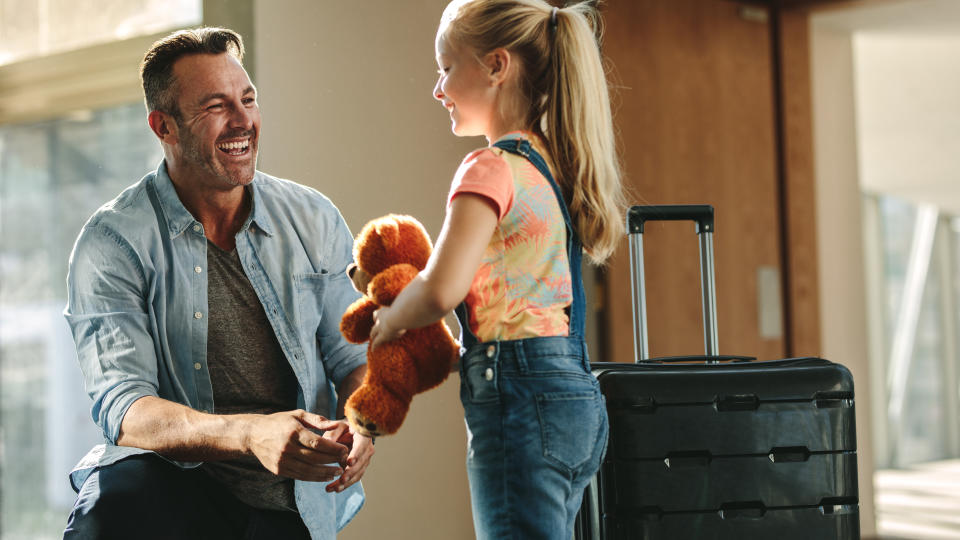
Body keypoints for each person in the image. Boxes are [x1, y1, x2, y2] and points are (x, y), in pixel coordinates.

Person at [62, 27, 373, 540]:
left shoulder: (313, 217)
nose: (243, 120)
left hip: (293, 504)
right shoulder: (112, 242)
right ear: (164, 126)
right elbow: (125, 408)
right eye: (215, 106)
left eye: (247, 99)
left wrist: (363, 424)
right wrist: (251, 434)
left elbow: (353, 359)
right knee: (109, 509)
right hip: (170, 492)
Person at [368, 1, 625, 538]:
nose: (437, 89)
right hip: (575, 396)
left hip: (519, 398)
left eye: (445, 67)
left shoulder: (488, 168)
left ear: (496, 65)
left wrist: (390, 321)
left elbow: (440, 289)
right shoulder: (553, 165)